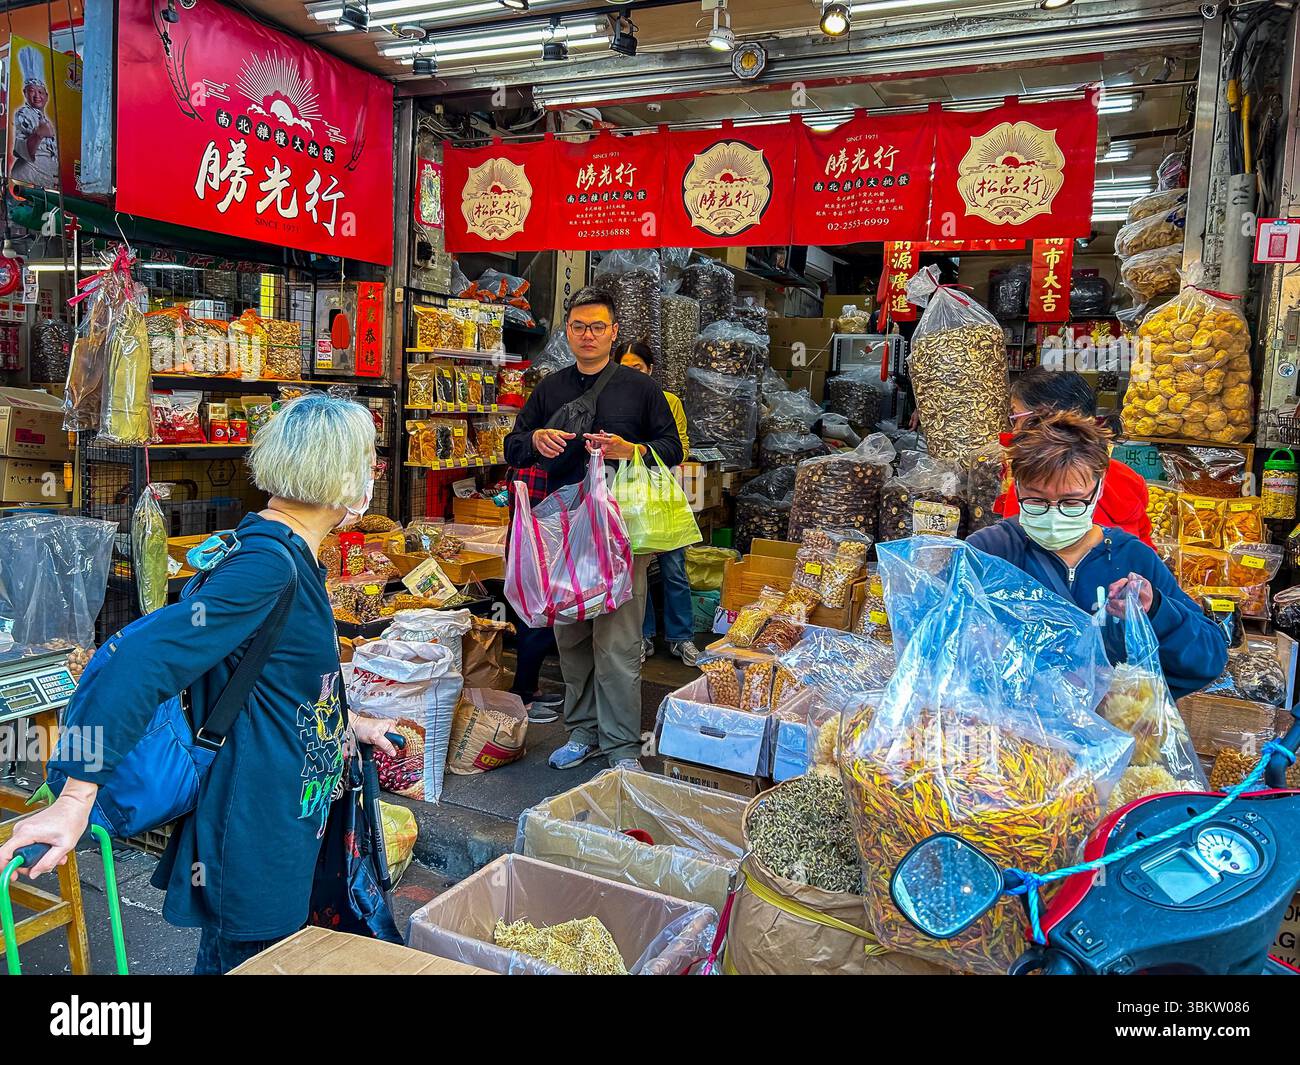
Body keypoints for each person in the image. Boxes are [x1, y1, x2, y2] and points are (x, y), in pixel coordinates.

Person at [0, 394, 399, 974]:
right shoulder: (267, 565)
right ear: (337, 473)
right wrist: (75, 798)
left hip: (284, 819)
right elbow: (138, 658)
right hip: (251, 830)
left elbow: (268, 673)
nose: (374, 472)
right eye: (366, 459)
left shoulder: (287, 550)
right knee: (250, 961)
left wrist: (350, 723)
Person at [504, 287, 683, 771]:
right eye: (579, 326)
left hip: (621, 531)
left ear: (614, 333)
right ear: (568, 332)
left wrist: (633, 450)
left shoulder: (642, 389)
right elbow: (512, 445)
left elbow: (673, 448)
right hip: (562, 528)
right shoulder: (550, 388)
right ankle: (581, 732)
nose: (588, 335)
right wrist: (534, 438)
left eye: (598, 327)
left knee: (619, 640)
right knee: (572, 637)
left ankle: (622, 746)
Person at [968, 410, 1226, 699]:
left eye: (1072, 502)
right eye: (1037, 500)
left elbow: (1208, 659)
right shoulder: (989, 552)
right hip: (1010, 733)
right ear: (1016, 487)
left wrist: (1157, 611)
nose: (1055, 514)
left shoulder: (1132, 559)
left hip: (1111, 732)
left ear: (1099, 486)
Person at [997, 368, 1153, 546]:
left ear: (1050, 421)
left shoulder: (1030, 486)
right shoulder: (1129, 479)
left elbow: (1013, 551)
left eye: (1016, 418)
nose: (1014, 430)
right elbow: (1145, 547)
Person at [617, 338, 700, 667]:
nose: (632, 375)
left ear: (650, 370)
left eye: (637, 368)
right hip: (623, 494)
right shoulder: (612, 401)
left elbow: (680, 447)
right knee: (636, 571)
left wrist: (639, 450)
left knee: (673, 567)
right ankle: (644, 635)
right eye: (625, 368)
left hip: (661, 494)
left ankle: (682, 638)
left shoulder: (668, 401)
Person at [12, 46, 58, 188]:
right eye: (32, 91)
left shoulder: (47, 120)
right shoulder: (23, 114)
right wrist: (38, 134)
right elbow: (27, 153)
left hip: (45, 183)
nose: (37, 96)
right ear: (25, 93)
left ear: (47, 96)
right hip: (25, 181)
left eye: (40, 91)